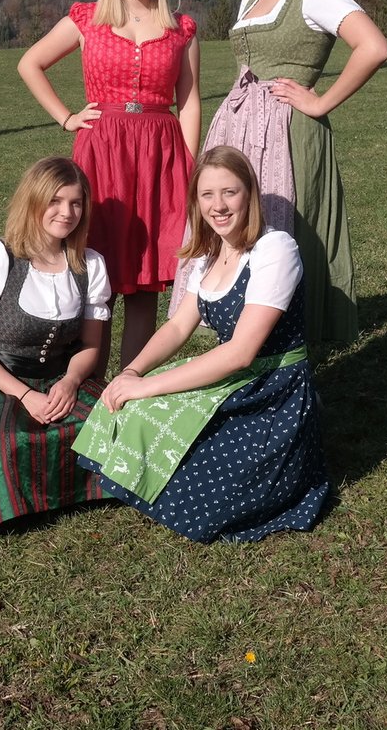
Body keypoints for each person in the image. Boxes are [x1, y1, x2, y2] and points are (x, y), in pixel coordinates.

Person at [73, 146, 329, 543]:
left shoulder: (275, 249)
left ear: (249, 194)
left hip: (273, 392)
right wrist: (132, 371)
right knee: (132, 406)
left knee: (212, 500)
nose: (218, 205)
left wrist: (147, 385)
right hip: (235, 378)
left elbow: (241, 352)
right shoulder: (211, 256)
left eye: (230, 192)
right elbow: (178, 327)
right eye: (207, 194)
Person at [171, 0, 387, 347]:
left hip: (285, 130)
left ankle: (285, 341)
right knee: (234, 221)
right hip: (238, 125)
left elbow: (373, 47)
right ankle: (236, 331)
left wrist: (321, 102)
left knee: (279, 226)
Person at [18, 0, 200, 371]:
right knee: (96, 269)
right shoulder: (88, 18)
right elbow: (30, 63)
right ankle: (88, 382)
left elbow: (190, 101)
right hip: (102, 150)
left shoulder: (181, 28)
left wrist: (189, 166)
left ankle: (130, 385)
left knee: (145, 277)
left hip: (161, 153)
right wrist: (66, 117)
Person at [0, 156, 114, 534]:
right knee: (7, 440)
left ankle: (71, 492)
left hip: (61, 378)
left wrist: (71, 382)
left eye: (76, 203)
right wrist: (25, 395)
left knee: (114, 422)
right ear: (32, 201)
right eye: (55, 201)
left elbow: (90, 346)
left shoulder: (89, 264)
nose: (67, 212)